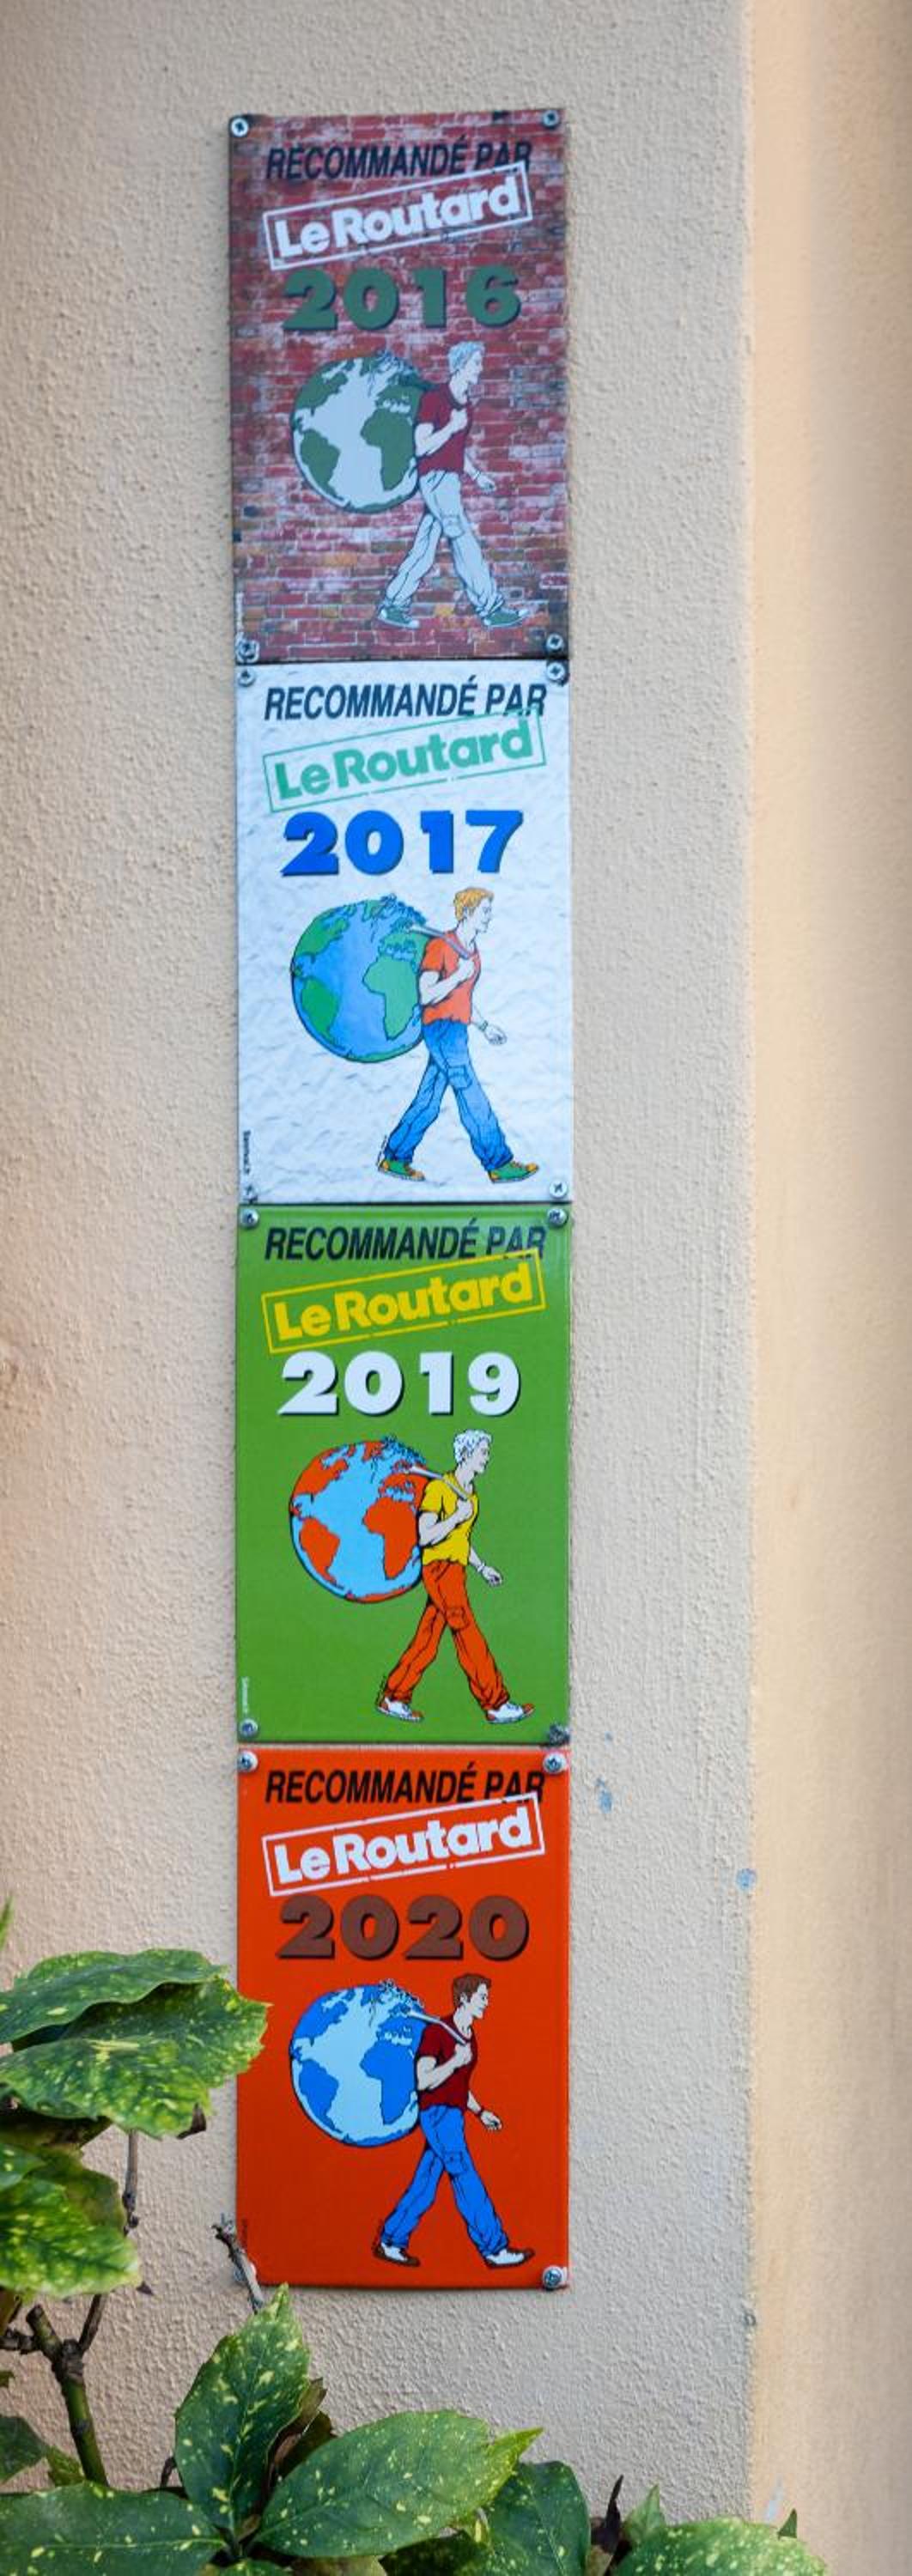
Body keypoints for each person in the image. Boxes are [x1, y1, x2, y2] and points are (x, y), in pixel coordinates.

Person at [379, 886, 537, 1187]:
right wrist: (458, 976)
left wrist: (484, 1026)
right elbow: (426, 995)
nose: (489, 917)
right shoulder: (439, 947)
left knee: (429, 1099)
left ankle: (395, 1157)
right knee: (471, 1094)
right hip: (442, 1030)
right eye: (485, 911)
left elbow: (462, 999)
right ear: (467, 912)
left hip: (457, 1030)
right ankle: (499, 1163)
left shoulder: (472, 953)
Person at [374, 1973, 532, 2269]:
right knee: (466, 2177)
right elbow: (423, 2081)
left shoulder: (469, 2037)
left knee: (426, 2183)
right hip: (438, 2115)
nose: (487, 2002)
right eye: (482, 1997)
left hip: (453, 2115)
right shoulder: (437, 2034)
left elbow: (458, 2086)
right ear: (464, 1999)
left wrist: (480, 2112)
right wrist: (455, 2061)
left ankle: (391, 2240)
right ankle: (494, 2247)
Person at [378, 1430, 532, 1726]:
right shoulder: (438, 1490)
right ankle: (495, 1702)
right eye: (483, 1452)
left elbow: (460, 1541)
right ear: (467, 1454)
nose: (487, 1458)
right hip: (440, 1569)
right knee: (468, 1633)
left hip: (456, 1569)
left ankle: (394, 1696)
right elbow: (425, 1536)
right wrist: (456, 1517)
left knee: (428, 1638)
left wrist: (481, 1567)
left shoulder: (470, 1496)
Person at [376, 343, 522, 630]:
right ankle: (491, 608)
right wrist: (451, 427)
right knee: (464, 540)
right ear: (460, 365)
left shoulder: (465, 404)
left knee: (425, 547)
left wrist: (476, 475)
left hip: (450, 480)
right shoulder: (434, 399)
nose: (480, 368)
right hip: (436, 479)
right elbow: (422, 446)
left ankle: (393, 604)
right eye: (476, 363)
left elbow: (455, 449)